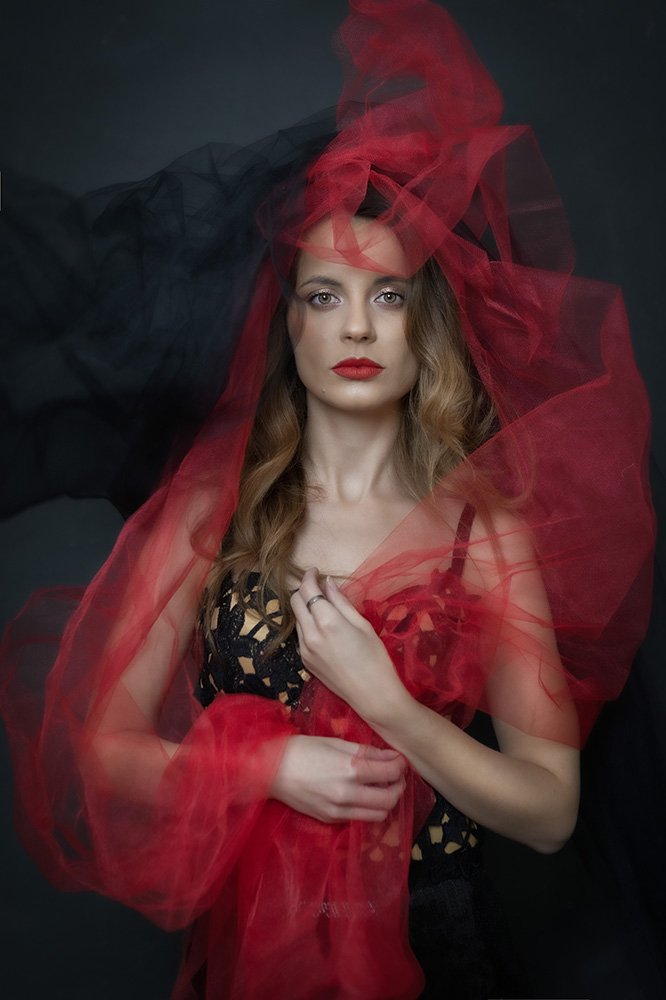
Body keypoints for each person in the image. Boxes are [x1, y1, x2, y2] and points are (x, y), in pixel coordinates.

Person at [0, 2, 654, 999]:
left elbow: (549, 808)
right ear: (288, 327)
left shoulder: (483, 530)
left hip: (439, 942)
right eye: (324, 295)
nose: (356, 324)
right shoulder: (209, 508)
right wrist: (262, 770)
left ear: (419, 327)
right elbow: (104, 747)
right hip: (244, 952)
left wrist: (389, 705)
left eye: (386, 296)